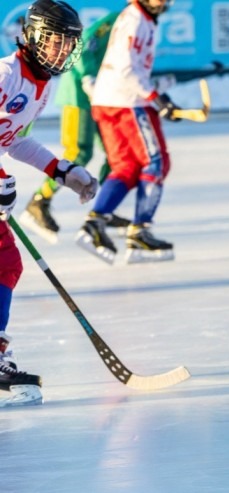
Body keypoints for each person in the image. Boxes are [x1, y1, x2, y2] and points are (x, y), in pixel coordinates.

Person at [0, 0, 97, 407]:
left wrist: (61, 170)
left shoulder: (43, 83)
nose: (62, 52)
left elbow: (12, 138)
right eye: (56, 42)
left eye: (68, 45)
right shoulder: (6, 73)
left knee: (7, 262)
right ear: (35, 36)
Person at [75, 0, 180, 265]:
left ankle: (95, 224)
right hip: (126, 103)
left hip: (109, 100)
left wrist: (156, 96)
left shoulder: (140, 17)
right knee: (155, 163)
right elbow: (125, 69)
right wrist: (155, 97)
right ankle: (140, 231)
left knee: (126, 167)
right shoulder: (135, 19)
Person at [18, 10, 132, 245]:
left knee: (116, 154)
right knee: (79, 151)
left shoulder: (145, 24)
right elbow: (87, 39)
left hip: (104, 97)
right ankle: (40, 202)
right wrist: (88, 78)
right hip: (79, 95)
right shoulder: (120, 18)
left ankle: (102, 208)